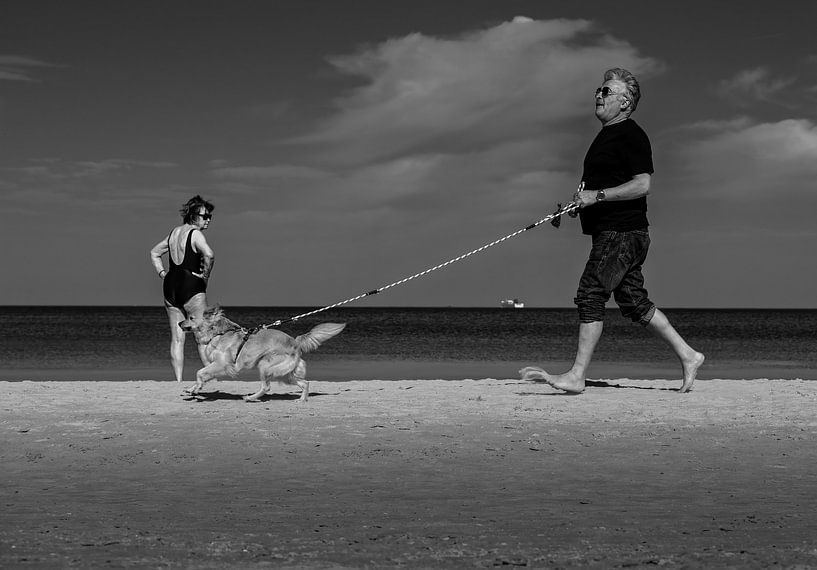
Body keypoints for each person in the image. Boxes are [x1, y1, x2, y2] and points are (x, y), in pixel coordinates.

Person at [521, 68, 704, 393]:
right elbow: (604, 188)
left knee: (591, 293)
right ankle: (689, 355)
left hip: (622, 233)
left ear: (625, 102)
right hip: (622, 232)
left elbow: (642, 184)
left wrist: (597, 196)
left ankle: (577, 375)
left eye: (606, 91)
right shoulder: (606, 136)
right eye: (598, 89)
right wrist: (580, 204)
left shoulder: (630, 134)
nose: (598, 95)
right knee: (633, 302)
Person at [150, 195, 215, 382]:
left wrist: (162, 273)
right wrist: (205, 276)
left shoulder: (173, 234)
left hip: (170, 286)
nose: (208, 219)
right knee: (202, 338)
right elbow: (209, 255)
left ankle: (178, 381)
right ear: (193, 216)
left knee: (177, 339)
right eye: (205, 216)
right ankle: (209, 379)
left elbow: (154, 253)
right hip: (192, 287)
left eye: (210, 216)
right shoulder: (195, 234)